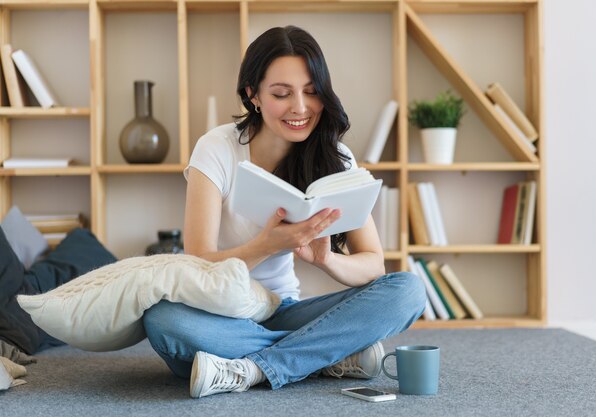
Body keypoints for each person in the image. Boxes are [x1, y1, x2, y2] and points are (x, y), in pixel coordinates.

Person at [143, 25, 426, 399]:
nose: (300, 108)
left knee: (407, 290)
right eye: (281, 94)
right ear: (253, 95)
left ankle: (252, 369)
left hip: (283, 310)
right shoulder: (217, 149)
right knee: (164, 320)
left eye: (312, 92)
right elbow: (197, 266)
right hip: (219, 314)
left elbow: (373, 265)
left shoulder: (336, 159)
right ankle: (322, 353)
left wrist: (327, 261)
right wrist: (265, 245)